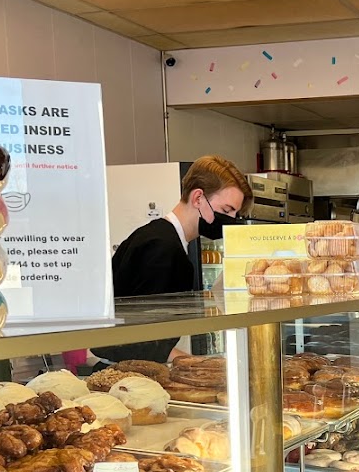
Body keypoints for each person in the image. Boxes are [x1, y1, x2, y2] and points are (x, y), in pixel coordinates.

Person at [96, 155, 251, 365]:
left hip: (135, 367)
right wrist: (197, 364)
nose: (230, 220)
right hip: (130, 372)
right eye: (226, 210)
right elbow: (143, 339)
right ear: (198, 198)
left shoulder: (155, 236)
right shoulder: (162, 248)